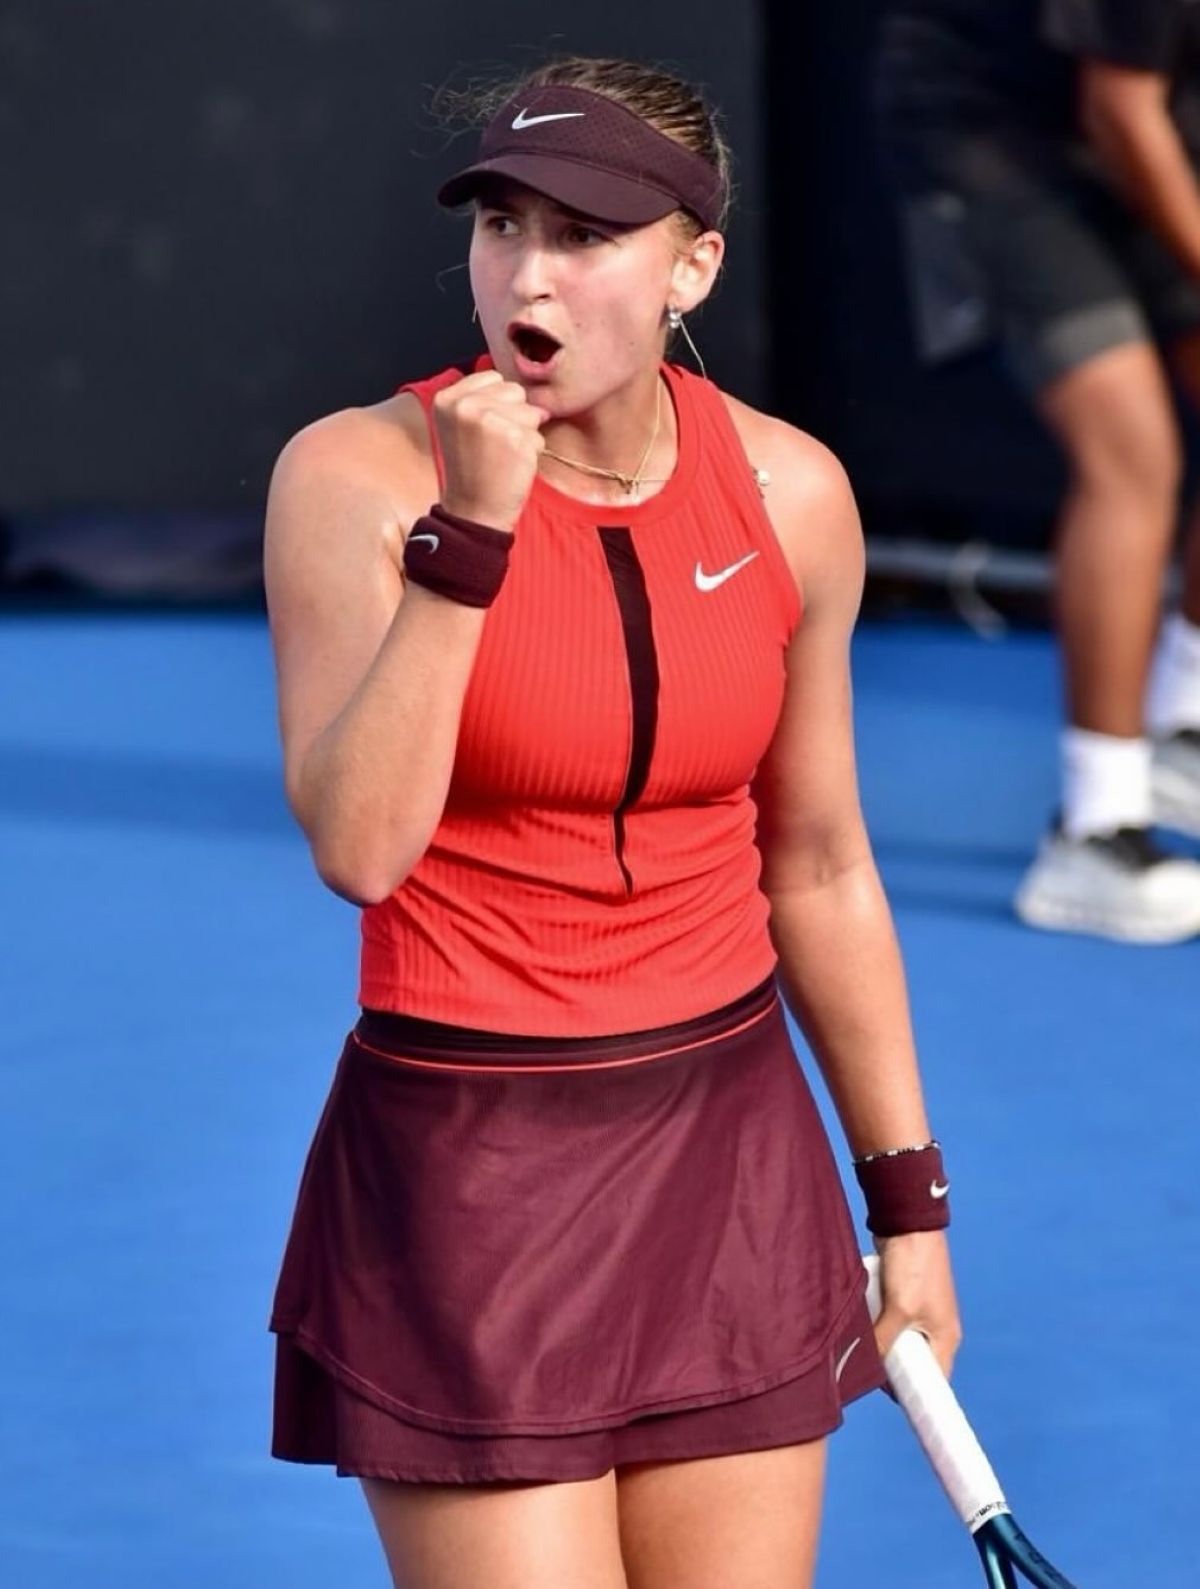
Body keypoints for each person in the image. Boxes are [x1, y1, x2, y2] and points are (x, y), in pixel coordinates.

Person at [264, 55, 958, 1589]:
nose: (530, 271)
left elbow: (823, 863)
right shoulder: (355, 480)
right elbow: (360, 848)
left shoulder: (791, 493)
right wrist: (472, 542)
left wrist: (908, 1200)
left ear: (691, 265)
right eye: (503, 224)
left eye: (585, 234)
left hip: (728, 1161)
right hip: (471, 1180)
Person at [875, 0, 1200, 942]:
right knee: (1132, 452)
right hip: (989, 128)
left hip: (1140, 116)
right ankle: (1095, 834)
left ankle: (1182, 734)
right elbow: (1119, 107)